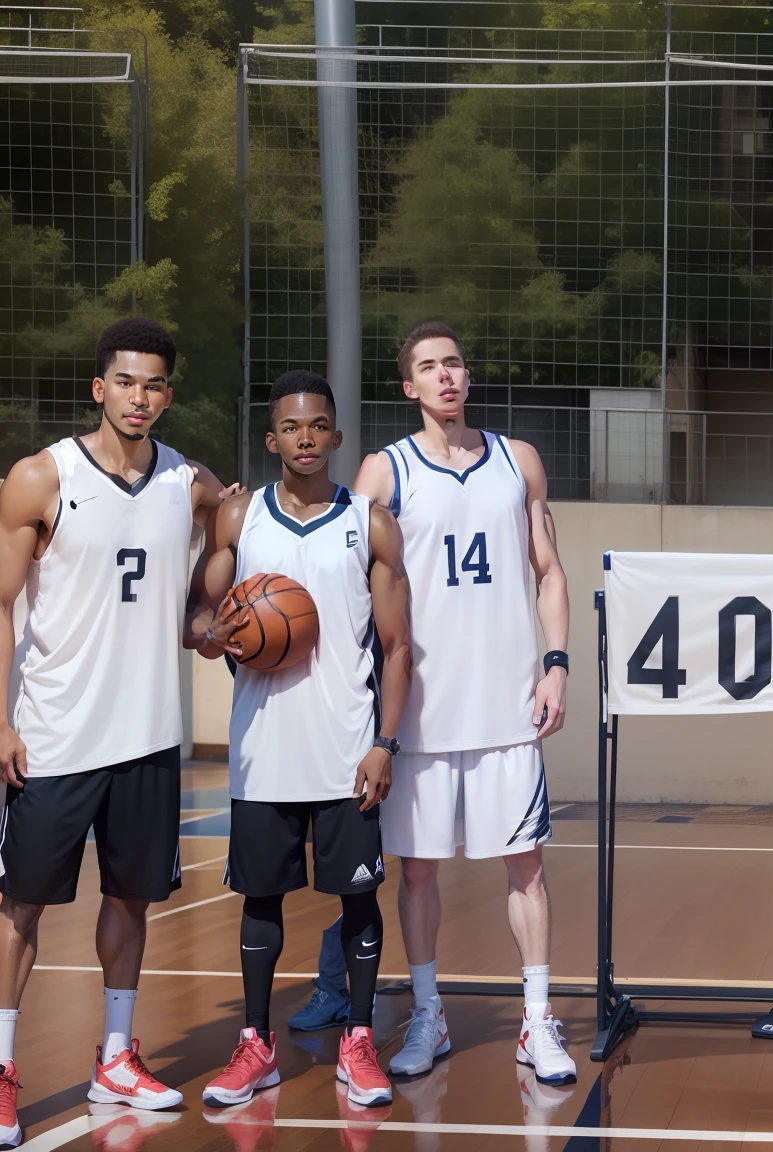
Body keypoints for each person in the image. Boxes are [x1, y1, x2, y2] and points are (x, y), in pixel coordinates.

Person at [0, 317, 238, 1144]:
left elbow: (225, 521)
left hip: (147, 736)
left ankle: (114, 1056)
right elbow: (0, 606)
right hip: (56, 733)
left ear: (170, 395)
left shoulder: (188, 481)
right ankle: (1, 1069)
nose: (141, 398)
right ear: (100, 389)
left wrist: (204, 611)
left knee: (129, 900)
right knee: (19, 907)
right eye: (127, 383)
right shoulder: (41, 477)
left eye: (156, 385)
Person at [352, 321, 573, 1084]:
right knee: (415, 874)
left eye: (454, 363)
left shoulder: (518, 462)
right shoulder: (384, 474)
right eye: (427, 367)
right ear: (408, 387)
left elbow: (549, 572)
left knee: (528, 868)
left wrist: (556, 666)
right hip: (420, 712)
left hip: (508, 705)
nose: (445, 376)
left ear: (467, 376)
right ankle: (428, 1014)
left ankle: (537, 1022)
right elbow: (351, 588)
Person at [187, 370, 412, 1108]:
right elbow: (197, 620)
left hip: (348, 748)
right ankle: (256, 1044)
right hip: (265, 751)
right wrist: (212, 635)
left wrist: (385, 743)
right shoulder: (238, 519)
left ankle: (357, 1043)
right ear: (271, 438)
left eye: (319, 426)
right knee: (261, 901)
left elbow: (400, 647)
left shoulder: (370, 522)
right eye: (292, 427)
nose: (306, 438)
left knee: (358, 901)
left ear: (337, 436)